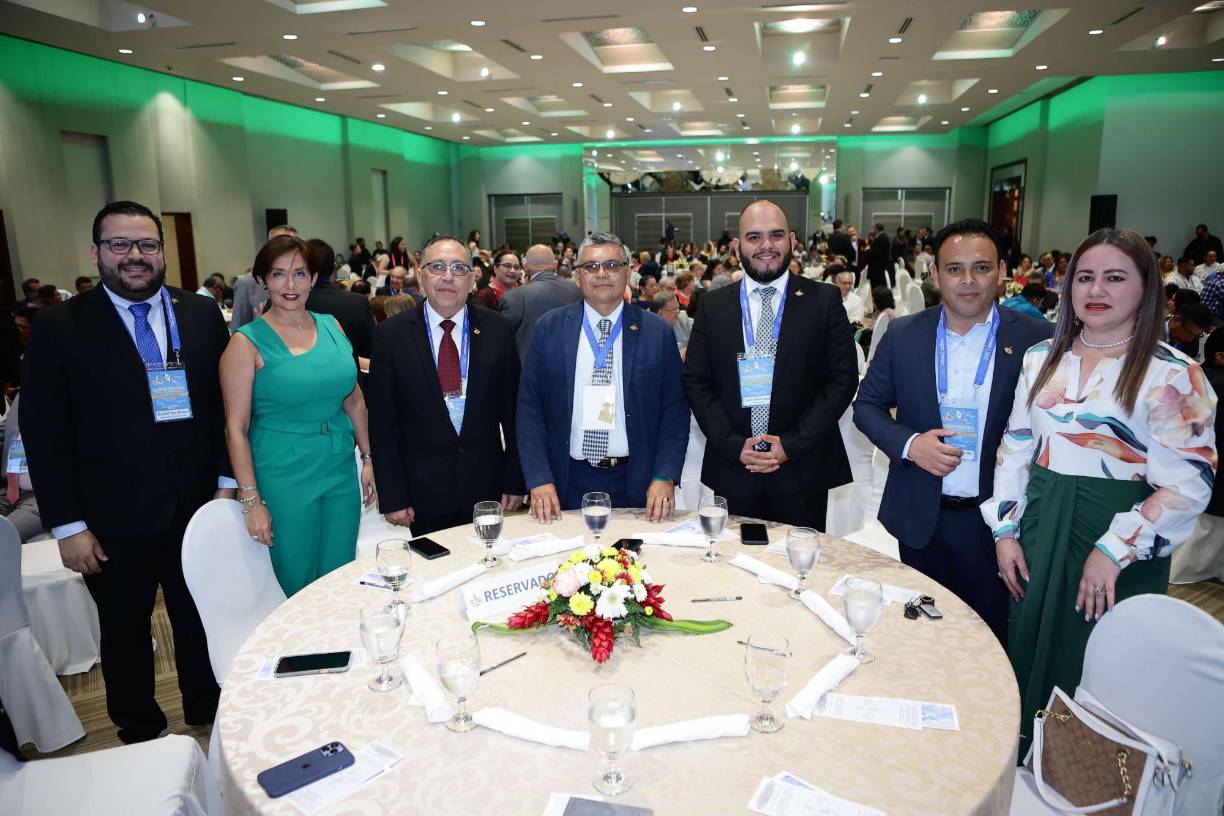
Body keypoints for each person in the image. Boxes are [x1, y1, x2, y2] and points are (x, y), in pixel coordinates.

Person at [984, 228, 1216, 742]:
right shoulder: (1042, 357)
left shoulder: (1174, 373)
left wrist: (1113, 550)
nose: (1095, 290)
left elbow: (1189, 485)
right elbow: (1016, 447)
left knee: (1097, 662)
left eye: (1114, 278)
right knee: (1027, 647)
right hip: (1040, 528)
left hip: (1119, 538)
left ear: (1146, 287)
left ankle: (1087, 773)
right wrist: (1005, 531)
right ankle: (1024, 761)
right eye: (1084, 277)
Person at [20, 200, 231, 743]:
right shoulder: (60, 326)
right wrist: (68, 525)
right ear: (96, 253)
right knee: (124, 631)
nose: (135, 255)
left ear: (162, 251)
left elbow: (223, 408)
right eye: (120, 244)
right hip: (109, 518)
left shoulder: (200, 313)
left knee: (200, 618)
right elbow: (45, 433)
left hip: (196, 507)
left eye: (147, 244)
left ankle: (208, 711)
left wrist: (227, 484)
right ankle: (139, 731)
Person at [854, 219, 1053, 642]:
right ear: (935, 274)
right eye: (954, 269)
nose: (967, 280)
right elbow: (866, 407)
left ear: (1002, 272)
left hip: (999, 524)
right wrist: (910, 445)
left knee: (992, 640)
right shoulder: (904, 334)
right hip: (922, 518)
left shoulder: (1038, 340)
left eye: (981, 268)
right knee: (924, 638)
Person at [683, 201, 858, 528]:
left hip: (802, 470)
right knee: (733, 559)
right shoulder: (712, 305)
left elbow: (842, 380)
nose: (766, 245)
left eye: (776, 235)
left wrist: (790, 445)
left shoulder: (824, 301)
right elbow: (696, 381)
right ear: (737, 246)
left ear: (791, 240)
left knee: (798, 560)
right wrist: (734, 445)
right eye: (754, 237)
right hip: (734, 469)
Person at [220, 235, 374, 596]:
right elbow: (235, 429)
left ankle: (338, 636)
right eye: (278, 274)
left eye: (300, 274)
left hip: (338, 467)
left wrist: (368, 458)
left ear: (313, 278)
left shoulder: (332, 326)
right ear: (262, 280)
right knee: (297, 580)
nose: (290, 285)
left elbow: (354, 399)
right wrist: (251, 501)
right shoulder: (245, 342)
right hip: (283, 472)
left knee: (340, 573)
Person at [517, 231, 687, 520]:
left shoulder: (656, 332)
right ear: (578, 276)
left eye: (612, 265)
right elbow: (529, 409)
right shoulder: (549, 328)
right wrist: (538, 477)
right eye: (591, 266)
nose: (601, 273)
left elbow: (675, 411)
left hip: (639, 483)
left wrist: (665, 476)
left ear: (627, 272)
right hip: (565, 482)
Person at [368, 236, 524, 535]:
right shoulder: (392, 335)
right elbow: (383, 423)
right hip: (421, 493)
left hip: (486, 488)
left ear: (472, 279)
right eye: (437, 267)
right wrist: (393, 495)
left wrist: (515, 479)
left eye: (459, 268)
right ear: (421, 276)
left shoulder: (498, 329)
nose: (448, 277)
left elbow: (514, 412)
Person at [499, 244, 582, 363]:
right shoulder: (577, 290)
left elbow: (503, 341)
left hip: (529, 368)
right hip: (572, 364)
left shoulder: (513, 297)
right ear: (555, 265)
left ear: (525, 266)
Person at [304, 239, 375, 369]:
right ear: (335, 268)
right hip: (350, 374)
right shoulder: (358, 302)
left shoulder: (282, 305)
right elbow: (370, 350)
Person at [0, 395, 44, 541]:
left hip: (42, 497)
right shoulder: (23, 395)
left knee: (3, 535)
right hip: (8, 490)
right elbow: (7, 430)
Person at [866, 223, 892, 291]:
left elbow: (875, 252)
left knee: (876, 287)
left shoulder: (881, 238)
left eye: (874, 229)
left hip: (877, 268)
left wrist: (868, 250)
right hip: (880, 266)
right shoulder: (884, 237)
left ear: (876, 229)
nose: (873, 230)